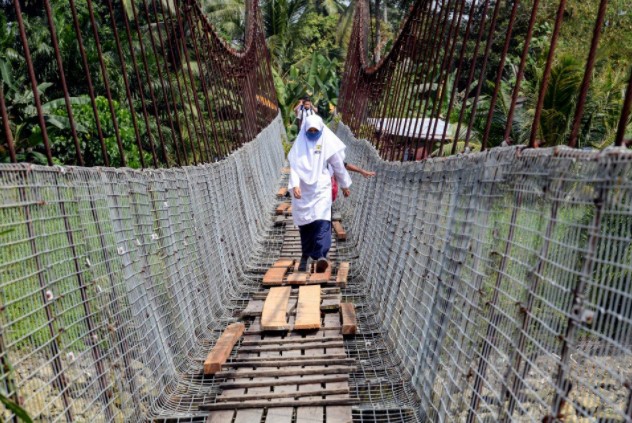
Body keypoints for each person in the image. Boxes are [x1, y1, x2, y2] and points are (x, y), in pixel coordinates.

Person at [288, 115, 352, 273]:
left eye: (315, 130)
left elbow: (337, 165)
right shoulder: (299, 146)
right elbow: (295, 167)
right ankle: (306, 255)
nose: (312, 133)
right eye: (309, 130)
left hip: (321, 187)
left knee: (322, 221)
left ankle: (321, 255)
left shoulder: (326, 142)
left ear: (321, 130)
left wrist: (344, 184)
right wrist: (295, 185)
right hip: (303, 190)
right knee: (306, 224)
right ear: (304, 131)